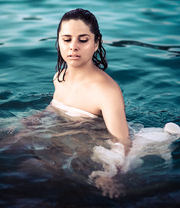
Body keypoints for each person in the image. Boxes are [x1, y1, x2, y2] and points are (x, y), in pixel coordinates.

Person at [51, 8, 130, 151]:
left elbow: (123, 144)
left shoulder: (107, 92)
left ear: (96, 43)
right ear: (58, 42)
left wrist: (109, 172)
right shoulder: (59, 78)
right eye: (67, 39)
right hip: (62, 140)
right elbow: (53, 110)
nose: (73, 47)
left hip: (90, 151)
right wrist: (27, 123)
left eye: (83, 40)